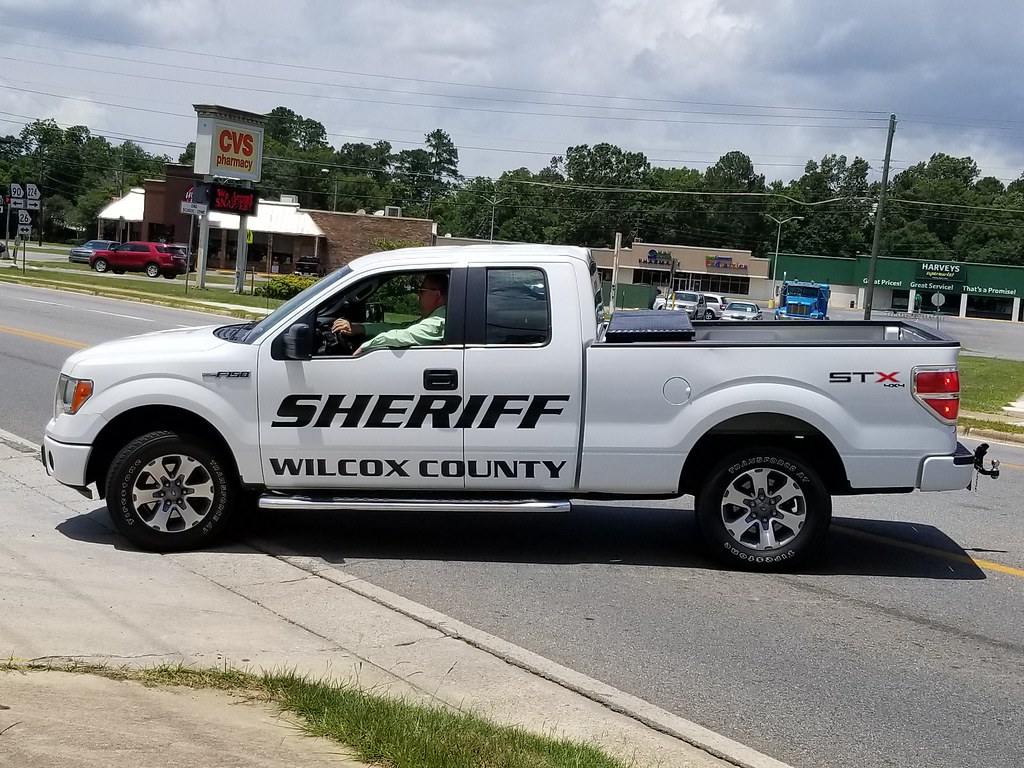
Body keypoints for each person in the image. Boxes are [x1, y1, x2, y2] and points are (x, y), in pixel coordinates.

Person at [332, 272, 447, 354]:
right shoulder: (437, 317)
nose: (418, 295)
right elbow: (402, 328)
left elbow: (401, 336)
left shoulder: (439, 322)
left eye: (421, 291)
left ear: (436, 294)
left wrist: (364, 348)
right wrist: (360, 328)